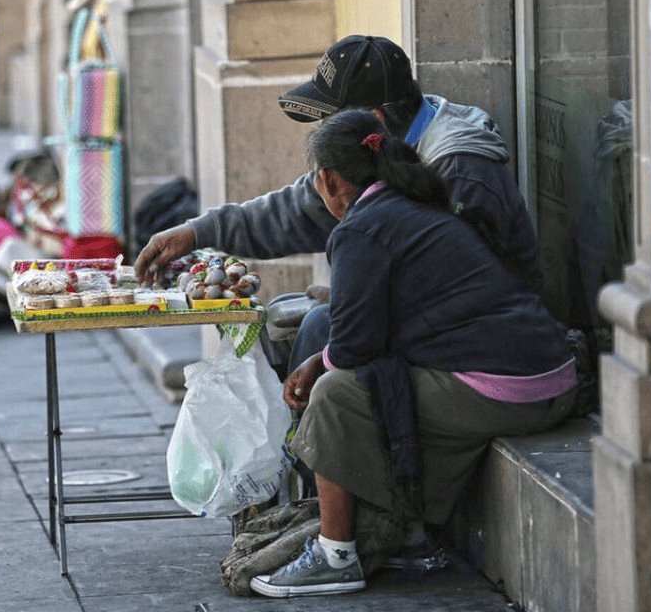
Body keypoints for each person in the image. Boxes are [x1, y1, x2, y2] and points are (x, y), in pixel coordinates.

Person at [245, 109, 576, 598]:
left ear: (329, 180)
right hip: (551, 378)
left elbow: (354, 348)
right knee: (379, 379)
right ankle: (410, 535)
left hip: (510, 389)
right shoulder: (416, 203)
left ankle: (336, 555)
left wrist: (319, 365)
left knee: (336, 395)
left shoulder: (363, 228)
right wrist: (323, 358)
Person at [133, 34, 539, 374]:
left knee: (318, 331)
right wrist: (198, 232)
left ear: (373, 120)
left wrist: (363, 301)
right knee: (277, 321)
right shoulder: (379, 150)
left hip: (485, 344)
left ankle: (316, 464)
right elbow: (298, 209)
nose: (325, 132)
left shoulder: (461, 168)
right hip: (426, 316)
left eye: (331, 121)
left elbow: (466, 287)